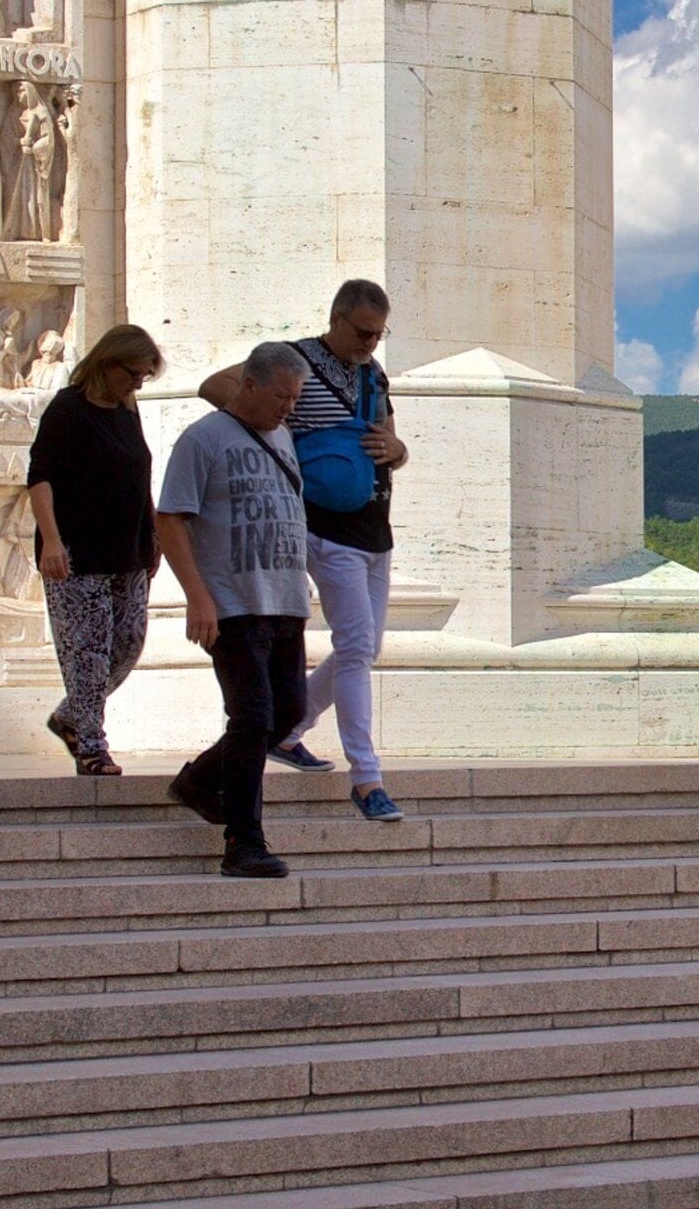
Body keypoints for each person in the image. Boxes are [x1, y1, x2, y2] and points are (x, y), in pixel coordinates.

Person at [201, 279, 410, 824]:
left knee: (365, 647)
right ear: (336, 318)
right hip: (324, 526)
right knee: (356, 644)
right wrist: (279, 441)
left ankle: (289, 731)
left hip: (374, 526)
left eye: (378, 334)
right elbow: (217, 387)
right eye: (362, 331)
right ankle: (366, 777)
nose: (370, 342)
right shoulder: (294, 361)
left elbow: (389, 439)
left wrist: (398, 449)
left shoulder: (373, 373)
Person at [155, 343, 313, 878]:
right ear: (248, 384)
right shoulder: (203, 439)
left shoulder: (282, 436)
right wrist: (197, 594)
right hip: (233, 604)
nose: (288, 407)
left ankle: (199, 781)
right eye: (280, 396)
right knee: (252, 717)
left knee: (287, 714)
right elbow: (170, 517)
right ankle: (243, 842)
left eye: (294, 398)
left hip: (285, 599)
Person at [24, 324, 163, 776]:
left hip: (128, 549)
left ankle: (71, 716)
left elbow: (138, 474)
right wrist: (51, 540)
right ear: (108, 363)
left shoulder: (127, 410)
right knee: (87, 650)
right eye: (134, 373)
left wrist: (153, 533)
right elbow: (40, 476)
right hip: (78, 553)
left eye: (144, 376)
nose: (138, 383)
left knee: (127, 643)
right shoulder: (69, 408)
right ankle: (91, 744)